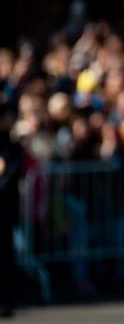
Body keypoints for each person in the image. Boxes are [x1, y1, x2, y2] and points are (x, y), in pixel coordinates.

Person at [0, 100, 24, 318]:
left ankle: (6, 300)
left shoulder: (12, 146)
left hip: (5, 211)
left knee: (6, 257)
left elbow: (10, 175)